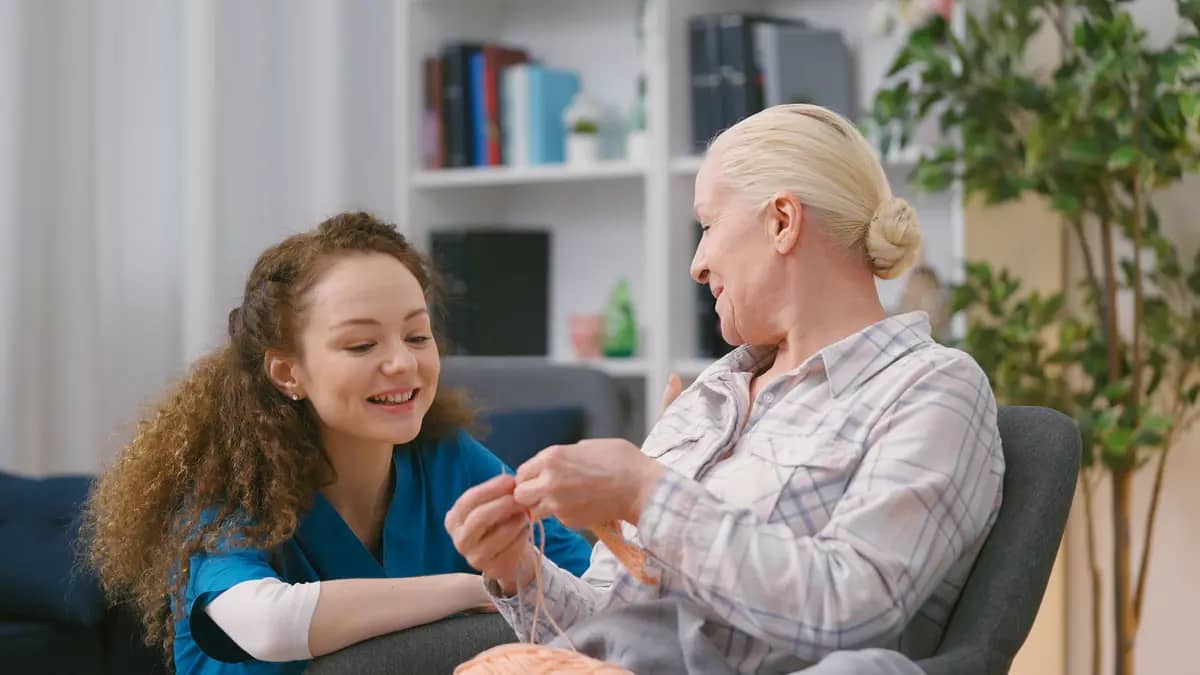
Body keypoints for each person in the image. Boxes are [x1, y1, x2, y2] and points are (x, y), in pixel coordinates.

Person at [446, 104, 1006, 673]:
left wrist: (647, 492)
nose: (697, 263)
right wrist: (518, 568)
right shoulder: (709, 396)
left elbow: (853, 606)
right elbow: (610, 624)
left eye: (708, 226)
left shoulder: (930, 389)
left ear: (782, 221)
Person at [82, 212, 592, 675]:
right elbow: (266, 623)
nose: (403, 363)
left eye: (417, 336)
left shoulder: (447, 459)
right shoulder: (233, 487)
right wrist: (475, 589)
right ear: (287, 372)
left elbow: (594, 589)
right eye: (362, 344)